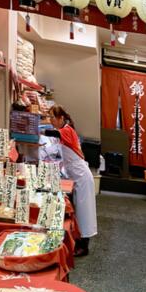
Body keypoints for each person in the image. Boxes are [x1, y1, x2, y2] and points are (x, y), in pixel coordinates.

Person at [48, 105, 97, 257]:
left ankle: (84, 247)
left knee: (84, 213)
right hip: (76, 175)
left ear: (61, 118)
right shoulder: (65, 130)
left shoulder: (66, 130)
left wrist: (35, 129)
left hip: (82, 176)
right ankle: (79, 243)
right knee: (79, 212)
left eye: (52, 117)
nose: (50, 121)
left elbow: (52, 133)